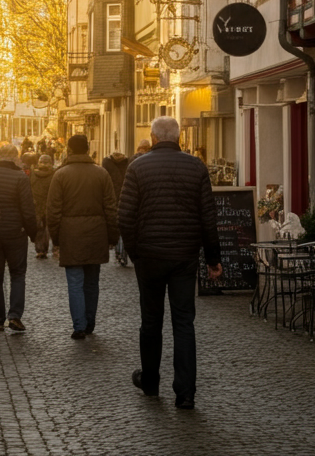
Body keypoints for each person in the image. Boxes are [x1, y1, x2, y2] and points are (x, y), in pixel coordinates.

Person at [118, 116, 221, 410]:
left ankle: (150, 381)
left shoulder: (137, 167)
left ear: (152, 136)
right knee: (184, 322)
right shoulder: (196, 167)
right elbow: (208, 218)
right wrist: (213, 258)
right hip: (184, 256)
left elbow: (125, 216)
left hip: (149, 256)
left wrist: (136, 252)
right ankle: (186, 392)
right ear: (178, 138)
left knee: (151, 321)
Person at [46, 133, 118, 340]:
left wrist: (57, 238)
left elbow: (53, 211)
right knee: (92, 282)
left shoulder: (61, 175)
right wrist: (112, 235)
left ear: (68, 150)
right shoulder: (101, 174)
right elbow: (111, 208)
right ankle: (89, 322)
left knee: (75, 282)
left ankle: (79, 325)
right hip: (96, 233)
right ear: (87, 149)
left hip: (71, 234)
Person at [0, 143, 38, 332]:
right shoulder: (20, 177)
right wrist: (33, 233)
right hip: (15, 233)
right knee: (17, 274)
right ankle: (14, 316)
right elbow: (28, 209)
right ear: (15, 158)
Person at [102, 148, 132, 266]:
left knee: (115, 223)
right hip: (124, 196)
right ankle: (122, 251)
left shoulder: (107, 164)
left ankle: (118, 250)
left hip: (112, 197)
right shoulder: (127, 163)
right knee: (123, 225)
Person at [30, 154, 55, 259]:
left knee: (39, 228)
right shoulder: (54, 175)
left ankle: (40, 250)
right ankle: (56, 248)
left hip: (37, 205)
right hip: (50, 205)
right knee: (52, 227)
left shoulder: (33, 175)